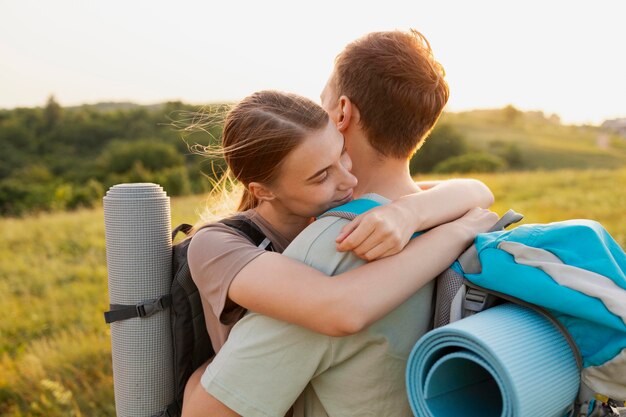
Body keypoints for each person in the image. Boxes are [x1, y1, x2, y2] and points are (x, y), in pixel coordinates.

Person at [182, 30, 497, 417]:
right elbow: (474, 191)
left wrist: (201, 377)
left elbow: (208, 412)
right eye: (321, 175)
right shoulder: (447, 215)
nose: (344, 180)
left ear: (342, 112)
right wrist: (444, 222)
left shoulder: (332, 250)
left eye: (323, 98)